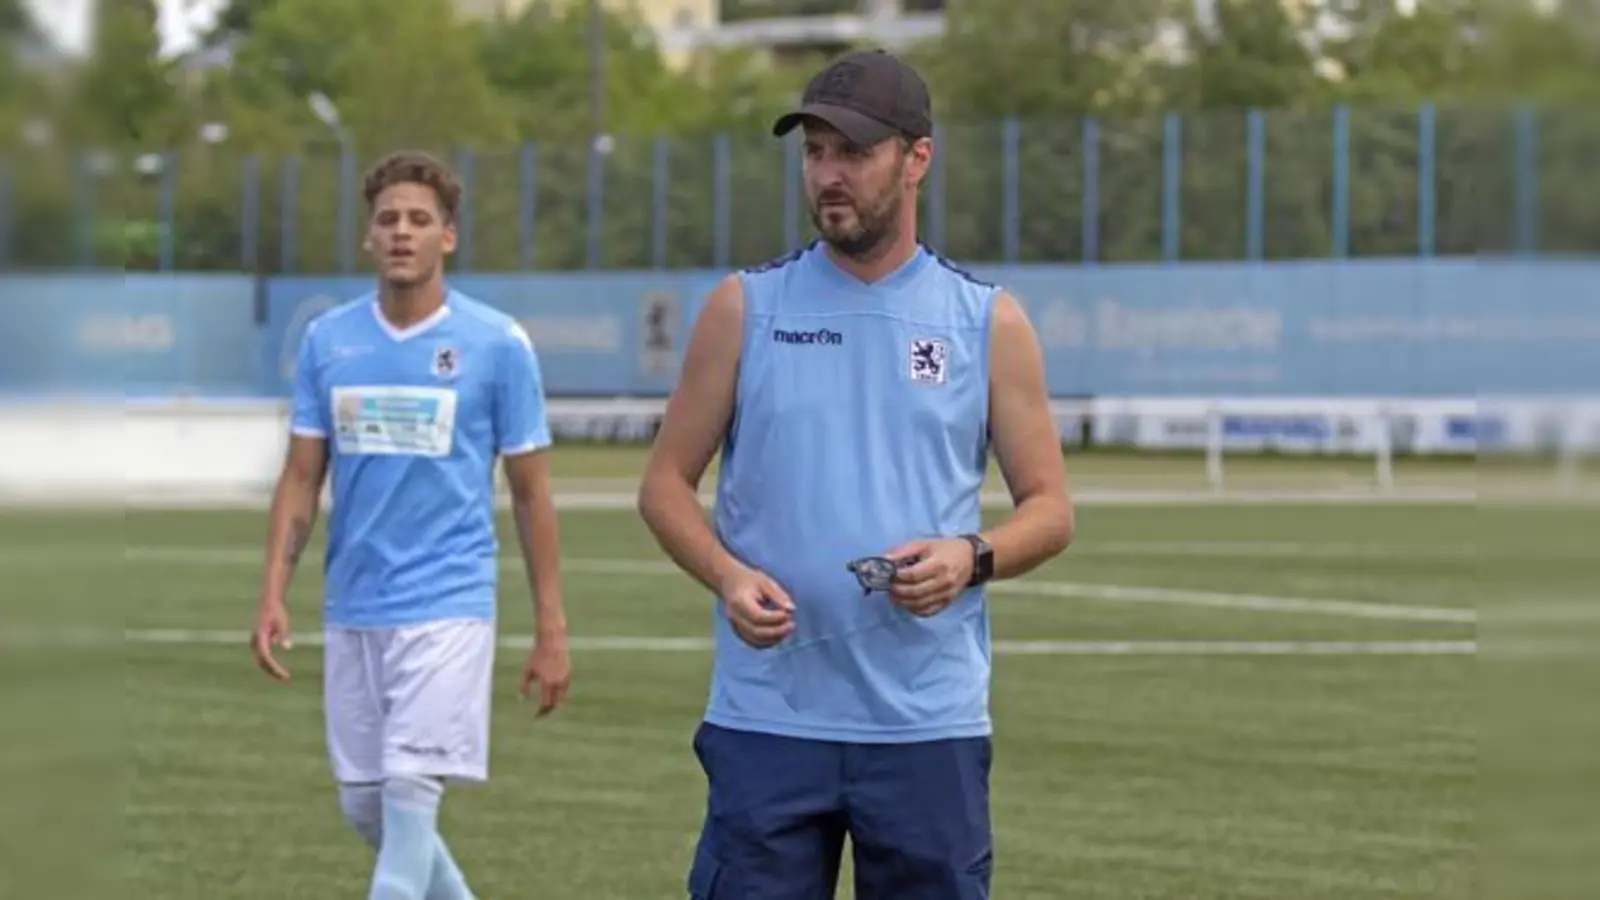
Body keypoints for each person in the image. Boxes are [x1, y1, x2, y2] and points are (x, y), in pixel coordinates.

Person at [637, 49, 1076, 900]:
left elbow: (1051, 509)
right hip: (768, 720)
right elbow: (663, 486)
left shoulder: (986, 321)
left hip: (925, 727)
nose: (829, 175)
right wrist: (726, 575)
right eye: (815, 152)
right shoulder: (744, 307)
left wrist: (972, 556)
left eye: (854, 152)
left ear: (917, 158)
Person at [250, 150, 572, 900]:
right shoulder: (331, 342)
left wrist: (550, 627)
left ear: (447, 238)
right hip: (354, 605)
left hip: (448, 605)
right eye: (388, 218)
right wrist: (272, 592)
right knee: (368, 806)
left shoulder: (497, 345)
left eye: (419, 220)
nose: (401, 232)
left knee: (406, 804)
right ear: (369, 236)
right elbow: (302, 478)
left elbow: (531, 494)